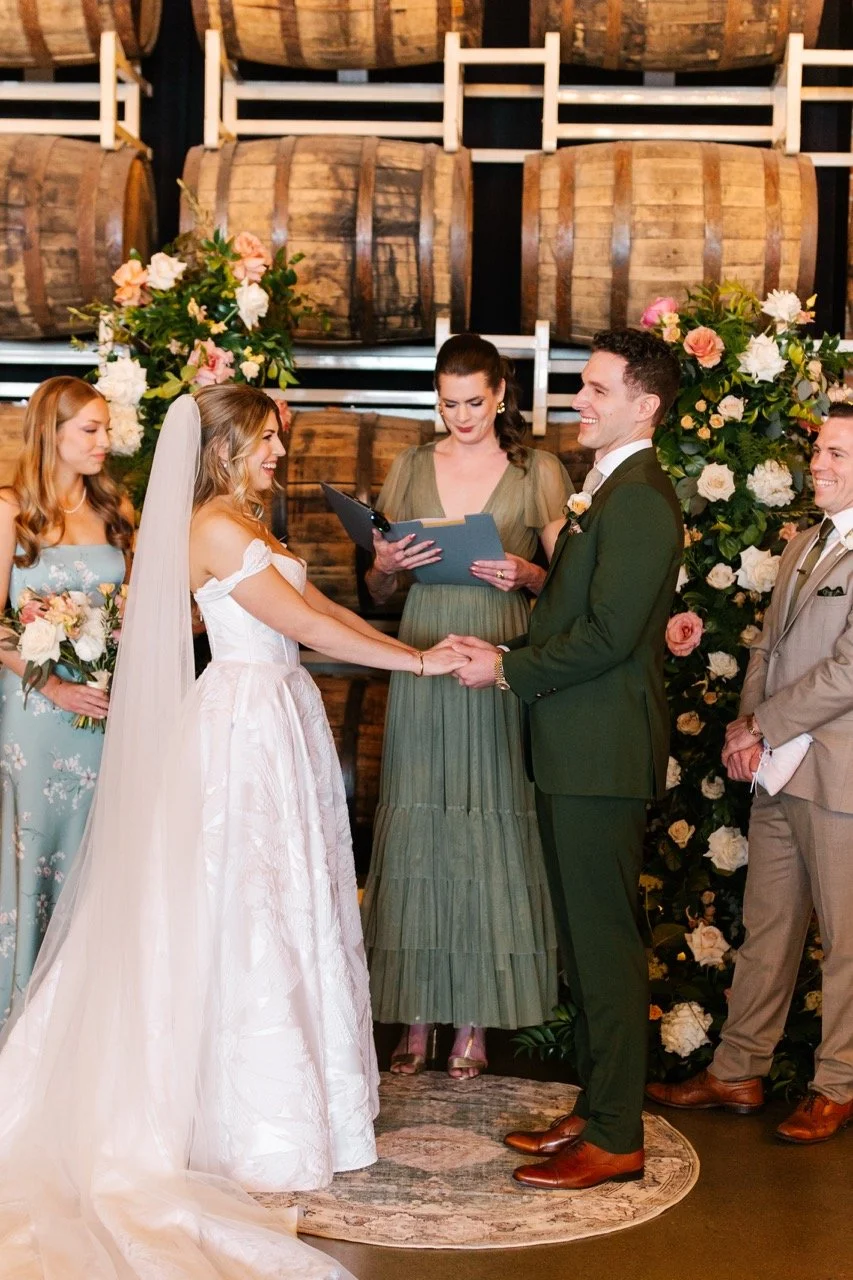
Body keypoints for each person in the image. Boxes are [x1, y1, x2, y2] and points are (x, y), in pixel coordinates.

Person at [0, 385, 464, 1280]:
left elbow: (324, 613)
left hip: (277, 714)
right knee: (245, 909)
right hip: (243, 724)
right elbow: (298, 623)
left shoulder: (246, 516)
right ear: (223, 449)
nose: (279, 453)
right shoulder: (214, 525)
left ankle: (307, 1107)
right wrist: (416, 661)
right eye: (266, 440)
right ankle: (243, 1122)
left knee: (292, 902)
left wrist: (407, 647)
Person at [453, 329, 683, 1188]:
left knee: (604, 943)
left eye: (594, 389)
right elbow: (576, 608)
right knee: (583, 947)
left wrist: (506, 667)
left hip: (600, 751)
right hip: (572, 748)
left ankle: (618, 1135)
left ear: (643, 404)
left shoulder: (639, 500)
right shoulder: (607, 490)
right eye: (580, 387)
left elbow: (609, 636)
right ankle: (597, 1102)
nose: (578, 401)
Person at [360, 333, 572, 1079]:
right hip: (423, 653)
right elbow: (380, 593)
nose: (460, 416)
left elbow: (570, 584)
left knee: (491, 824)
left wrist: (526, 572)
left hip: (499, 651)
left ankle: (475, 1023)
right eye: (448, 403)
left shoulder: (536, 469)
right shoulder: (411, 465)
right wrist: (383, 566)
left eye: (473, 402)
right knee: (421, 821)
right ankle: (414, 1021)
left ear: (501, 395)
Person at [646, 403, 853, 1144]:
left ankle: (837, 1083)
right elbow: (765, 644)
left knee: (845, 939)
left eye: (835, 453)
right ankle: (738, 1069)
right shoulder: (803, 543)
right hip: (776, 769)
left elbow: (848, 670)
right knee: (767, 929)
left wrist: (763, 725)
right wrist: (744, 728)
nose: (818, 464)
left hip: (839, 779)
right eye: (818, 450)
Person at [0, 377, 133, 1025]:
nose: (105, 442)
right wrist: (50, 681)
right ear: (51, 434)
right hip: (37, 714)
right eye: (91, 430)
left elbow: (135, 606)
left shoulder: (116, 512)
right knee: (37, 849)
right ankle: (26, 1015)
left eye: (106, 429)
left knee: (99, 851)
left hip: (108, 713)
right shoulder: (11, 512)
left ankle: (88, 1024)